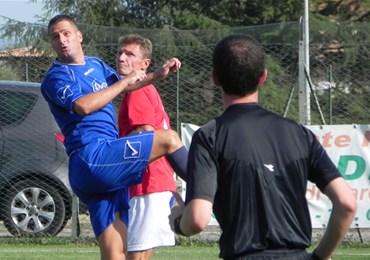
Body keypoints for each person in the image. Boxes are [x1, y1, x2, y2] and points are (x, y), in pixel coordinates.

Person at [169, 34, 356, 260]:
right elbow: (346, 203)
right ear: (263, 77)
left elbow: (198, 219)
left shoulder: (210, 136)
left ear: (215, 78)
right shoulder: (299, 134)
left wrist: (178, 221)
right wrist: (319, 257)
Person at [41, 14, 188, 260]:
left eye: (66, 33)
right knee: (170, 139)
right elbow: (83, 106)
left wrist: (158, 75)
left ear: (79, 36)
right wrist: (127, 80)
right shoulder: (56, 77)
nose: (62, 40)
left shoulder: (96, 65)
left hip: (101, 170)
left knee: (116, 254)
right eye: (55, 37)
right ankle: (211, 190)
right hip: (92, 156)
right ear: (53, 44)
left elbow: (126, 85)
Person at [115, 34, 183, 260]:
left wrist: (112, 149)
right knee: (140, 250)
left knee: (137, 252)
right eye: (120, 53)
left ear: (145, 64)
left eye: (130, 54)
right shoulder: (136, 88)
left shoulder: (137, 89)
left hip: (148, 181)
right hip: (153, 180)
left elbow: (145, 134)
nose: (122, 58)